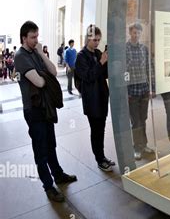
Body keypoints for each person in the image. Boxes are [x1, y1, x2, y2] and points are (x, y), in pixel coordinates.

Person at [14, 21, 77, 202]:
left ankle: (58, 174)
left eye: (37, 36)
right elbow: (40, 82)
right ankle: (48, 186)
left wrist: (41, 53)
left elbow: (54, 72)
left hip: (45, 107)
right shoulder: (20, 56)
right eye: (32, 37)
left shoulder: (36, 52)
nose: (36, 40)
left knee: (51, 143)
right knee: (40, 148)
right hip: (33, 110)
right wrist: (43, 74)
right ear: (24, 38)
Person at [75, 25, 116, 172]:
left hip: (102, 97)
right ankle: (99, 159)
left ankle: (102, 156)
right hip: (92, 100)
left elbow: (103, 74)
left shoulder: (98, 52)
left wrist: (108, 61)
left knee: (102, 129)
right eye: (94, 40)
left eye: (98, 40)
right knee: (96, 130)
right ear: (87, 38)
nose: (97, 43)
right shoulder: (81, 56)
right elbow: (88, 76)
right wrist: (101, 62)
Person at [126, 23, 155, 160]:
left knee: (143, 119)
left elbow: (150, 69)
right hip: (132, 92)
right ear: (130, 33)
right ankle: (136, 148)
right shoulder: (125, 49)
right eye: (134, 32)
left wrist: (152, 88)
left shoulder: (144, 49)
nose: (136, 35)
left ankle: (144, 145)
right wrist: (125, 91)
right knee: (136, 121)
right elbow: (123, 72)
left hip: (144, 90)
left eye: (138, 33)